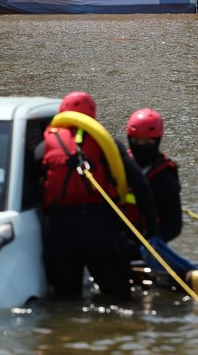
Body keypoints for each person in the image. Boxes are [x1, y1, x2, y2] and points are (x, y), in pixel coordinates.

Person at [35, 91, 156, 301]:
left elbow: (34, 186)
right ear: (93, 116)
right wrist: (151, 232)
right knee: (119, 297)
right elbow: (140, 185)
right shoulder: (107, 145)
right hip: (100, 226)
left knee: (66, 300)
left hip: (61, 229)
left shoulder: (44, 146)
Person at [126, 108, 182, 243]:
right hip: (116, 241)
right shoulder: (120, 164)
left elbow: (173, 226)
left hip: (147, 243)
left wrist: (145, 245)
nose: (141, 146)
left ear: (157, 141)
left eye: (147, 142)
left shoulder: (165, 178)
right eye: (136, 141)